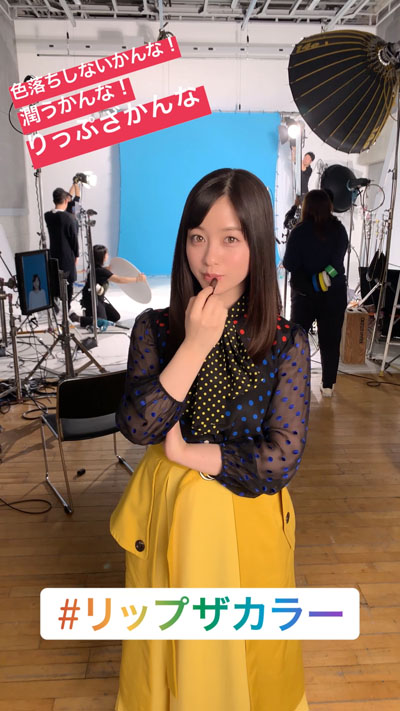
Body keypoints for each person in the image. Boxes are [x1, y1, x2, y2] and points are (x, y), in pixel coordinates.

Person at [110, 168, 311, 711]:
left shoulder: (285, 341)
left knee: (252, 660)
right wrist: (195, 345)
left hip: (246, 518)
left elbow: (280, 458)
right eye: (198, 237)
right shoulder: (154, 328)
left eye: (230, 239)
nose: (210, 258)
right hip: (167, 510)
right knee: (166, 653)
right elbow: (138, 425)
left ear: (257, 242)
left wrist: (185, 452)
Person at [283, 189, 348, 397]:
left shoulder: (299, 231)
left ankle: (296, 381)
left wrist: (310, 278)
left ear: (307, 207)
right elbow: (337, 262)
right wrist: (323, 278)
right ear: (329, 206)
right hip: (334, 293)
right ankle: (328, 386)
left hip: (304, 295)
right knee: (331, 340)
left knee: (298, 340)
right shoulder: (339, 230)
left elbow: (289, 264)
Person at [69, 244, 146, 327]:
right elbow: (119, 280)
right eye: (106, 254)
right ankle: (77, 318)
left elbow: (102, 271)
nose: (107, 255)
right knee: (101, 321)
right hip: (92, 301)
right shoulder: (100, 271)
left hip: (96, 298)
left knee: (115, 316)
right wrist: (137, 279)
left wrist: (107, 268)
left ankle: (92, 314)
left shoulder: (92, 267)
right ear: (101, 257)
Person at [44, 187, 79, 309]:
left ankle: (56, 307)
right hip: (67, 255)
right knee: (68, 283)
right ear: (65, 200)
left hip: (53, 254)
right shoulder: (69, 218)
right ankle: (66, 308)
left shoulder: (48, 215)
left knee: (55, 281)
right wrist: (77, 254)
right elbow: (73, 238)